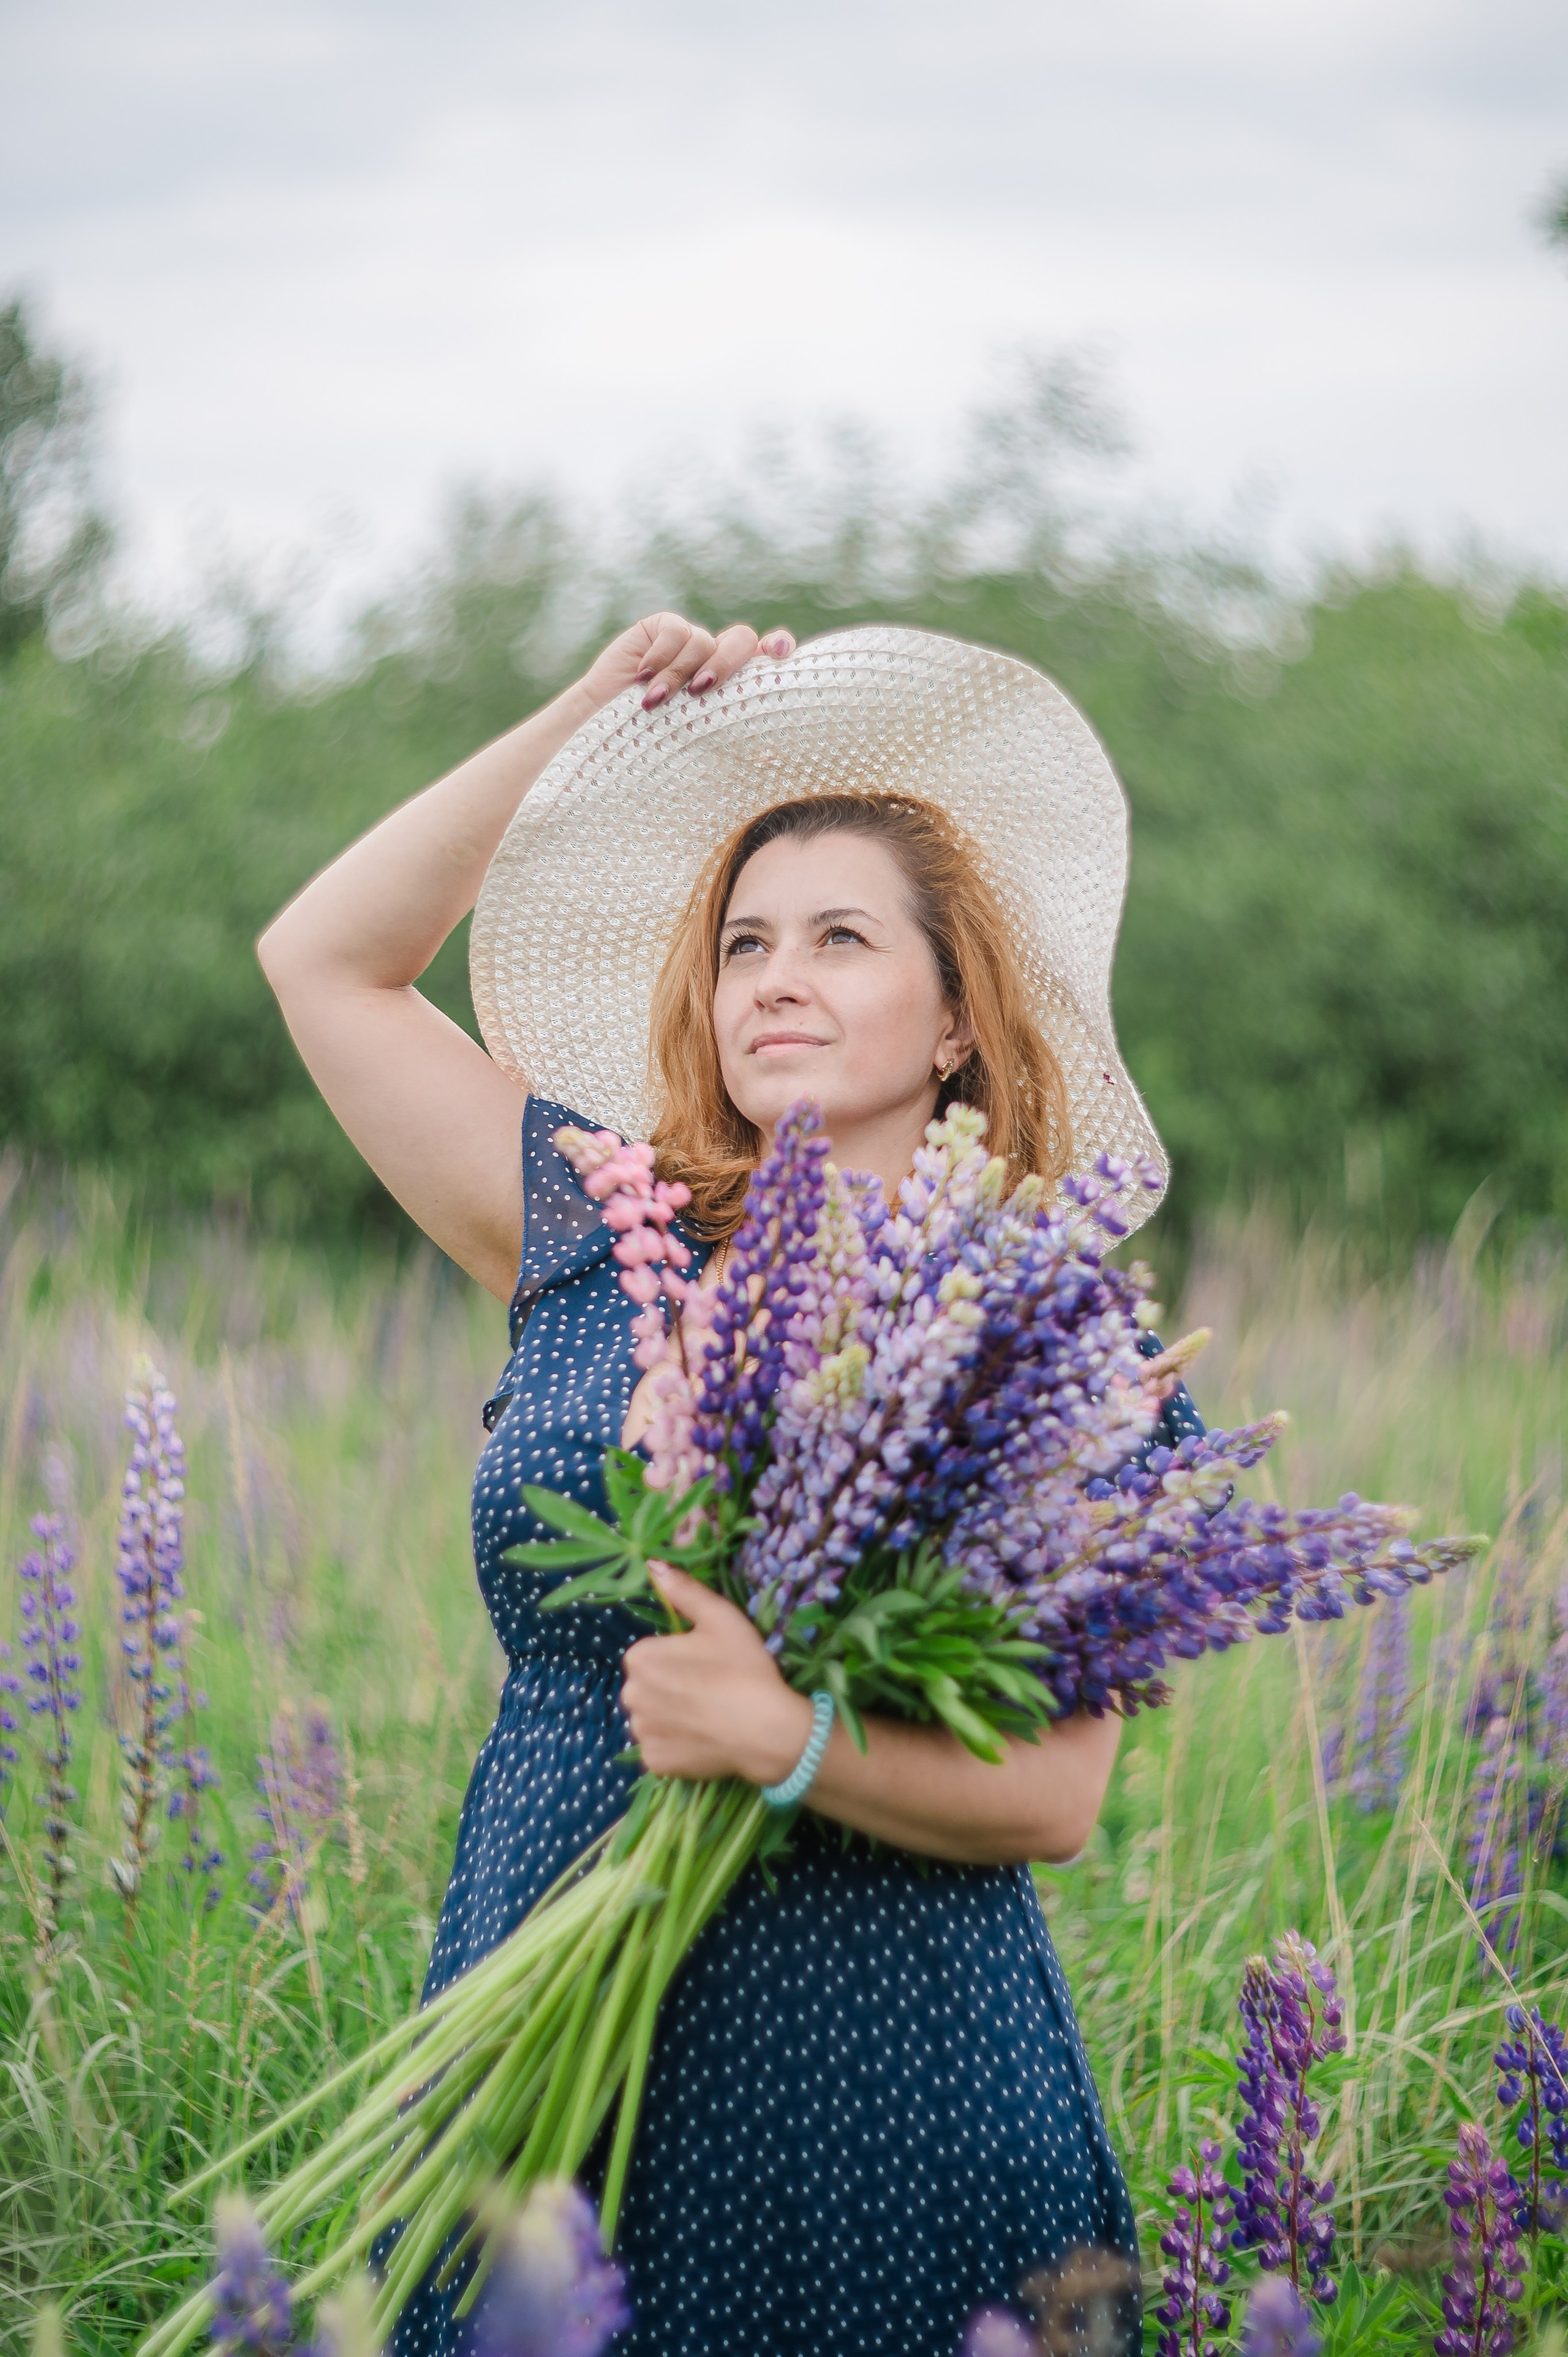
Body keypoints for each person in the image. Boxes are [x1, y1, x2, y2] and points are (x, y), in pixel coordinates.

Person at [257, 613, 1201, 2357]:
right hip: (545, 2024)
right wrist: (591, 714)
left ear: (950, 1019)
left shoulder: (1045, 1333)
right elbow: (323, 960)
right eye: (743, 940)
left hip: (883, 2070)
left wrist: (784, 1742)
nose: (776, 972)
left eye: (842, 938)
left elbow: (1061, 1793)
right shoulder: (596, 1236)